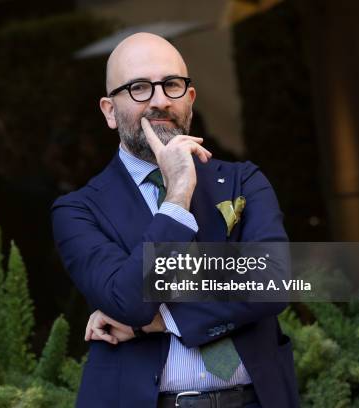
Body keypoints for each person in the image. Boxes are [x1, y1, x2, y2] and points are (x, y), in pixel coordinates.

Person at [51, 33, 299, 407]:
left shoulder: (242, 180)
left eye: (172, 84)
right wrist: (178, 193)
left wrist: (160, 320)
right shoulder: (79, 210)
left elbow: (273, 281)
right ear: (108, 110)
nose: (160, 100)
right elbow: (129, 303)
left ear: (190, 99)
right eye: (139, 88)